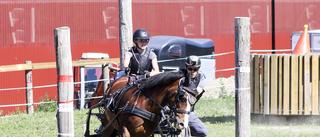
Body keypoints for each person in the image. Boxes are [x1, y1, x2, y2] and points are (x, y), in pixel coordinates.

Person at [182, 55, 208, 137]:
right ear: (186, 67)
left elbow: (197, 92)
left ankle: (188, 130)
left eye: (195, 69)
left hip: (189, 112)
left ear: (198, 69)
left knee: (203, 131)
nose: (192, 71)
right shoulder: (180, 76)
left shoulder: (201, 78)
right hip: (174, 110)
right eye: (190, 69)